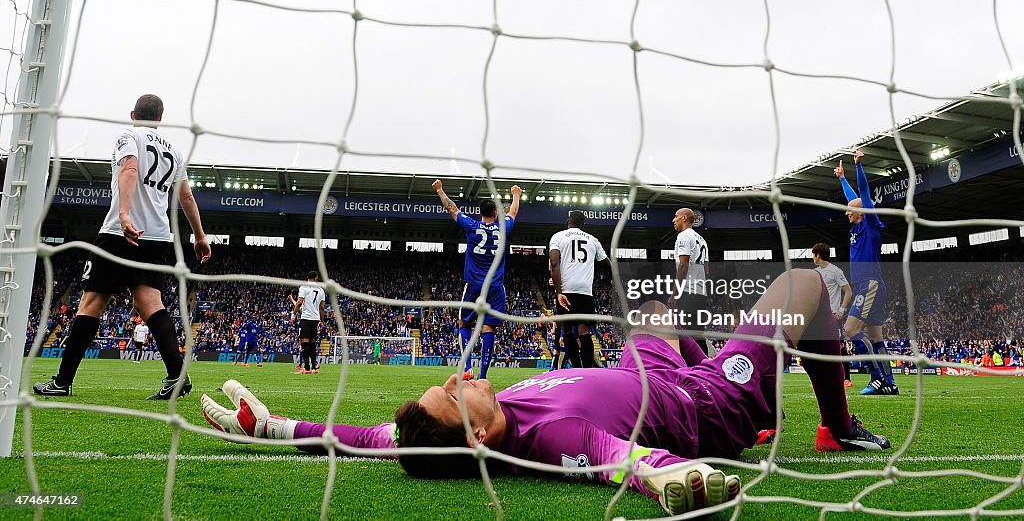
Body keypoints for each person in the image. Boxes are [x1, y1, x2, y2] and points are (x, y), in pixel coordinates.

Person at [202, 269, 891, 516]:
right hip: (701, 402)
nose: (452, 378)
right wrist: (677, 476)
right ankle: (835, 421)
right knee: (801, 286)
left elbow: (353, 438)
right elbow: (618, 456)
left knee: (652, 316)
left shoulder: (426, 435)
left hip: (647, 368)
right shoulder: (547, 440)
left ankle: (749, 366)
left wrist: (267, 424)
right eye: (452, 395)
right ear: (477, 436)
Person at [33, 94, 211, 400]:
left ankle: (62, 382)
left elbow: (129, 169)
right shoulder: (175, 151)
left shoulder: (128, 136)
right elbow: (186, 197)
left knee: (91, 303)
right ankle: (177, 376)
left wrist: (125, 214)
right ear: (161, 117)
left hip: (120, 231)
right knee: (150, 303)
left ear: (133, 113)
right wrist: (200, 235)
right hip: (157, 237)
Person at [432, 179, 521, 380]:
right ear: (496, 213)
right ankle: (483, 376)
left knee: (464, 324)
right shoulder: (503, 227)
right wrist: (516, 194)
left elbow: (452, 209)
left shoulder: (472, 226)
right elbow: (513, 212)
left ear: (480, 213)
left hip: (473, 284)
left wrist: (440, 190)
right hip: (496, 286)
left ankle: (467, 369)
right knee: (489, 328)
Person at [834, 150, 898, 395]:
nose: (846, 212)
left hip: (868, 284)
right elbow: (854, 200)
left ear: (862, 213)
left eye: (850, 210)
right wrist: (842, 179)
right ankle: (890, 383)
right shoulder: (856, 223)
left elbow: (863, 196)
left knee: (850, 330)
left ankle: (875, 378)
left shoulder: (869, 224)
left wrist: (858, 167)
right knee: (876, 337)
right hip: (870, 285)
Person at [549, 211, 608, 368]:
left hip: (566, 289)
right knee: (584, 331)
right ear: (583, 225)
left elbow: (554, 264)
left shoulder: (558, 237)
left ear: (568, 221)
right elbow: (607, 264)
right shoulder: (593, 240)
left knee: (567, 330)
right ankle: (588, 370)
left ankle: (575, 368)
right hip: (584, 291)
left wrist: (558, 291)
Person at [811, 243, 854, 387]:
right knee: (819, 347)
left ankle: (846, 379)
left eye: (813, 254)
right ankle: (820, 379)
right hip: (818, 317)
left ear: (818, 255)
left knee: (839, 346)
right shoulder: (815, 272)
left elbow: (848, 291)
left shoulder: (835, 271)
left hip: (833, 315)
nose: (812, 257)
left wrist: (841, 310)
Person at [670, 207, 711, 355]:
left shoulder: (683, 236)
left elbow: (683, 266)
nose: (673, 220)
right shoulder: (702, 240)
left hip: (688, 293)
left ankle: (691, 370)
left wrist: (674, 294)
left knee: (687, 337)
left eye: (676, 216)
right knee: (698, 335)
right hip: (700, 293)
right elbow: (707, 269)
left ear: (684, 218)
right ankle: (704, 370)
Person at [288, 271, 326, 374]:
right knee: (312, 342)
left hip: (306, 318)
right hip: (315, 318)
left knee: (304, 342)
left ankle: (307, 368)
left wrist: (293, 315)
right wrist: (322, 321)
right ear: (316, 278)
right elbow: (322, 308)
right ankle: (314, 368)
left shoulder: (304, 287)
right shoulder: (321, 290)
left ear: (307, 277)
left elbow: (299, 302)